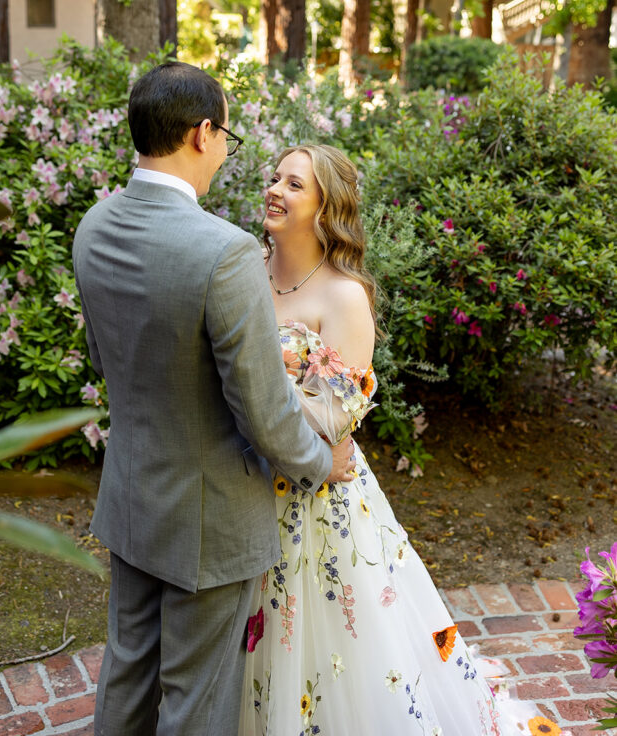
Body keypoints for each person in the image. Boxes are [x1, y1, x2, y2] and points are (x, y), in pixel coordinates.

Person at [239, 143, 561, 736]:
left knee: (337, 639)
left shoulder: (343, 295)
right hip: (245, 488)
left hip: (316, 500)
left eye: (294, 185)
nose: (275, 191)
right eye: (275, 178)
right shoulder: (244, 272)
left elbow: (332, 416)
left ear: (325, 208)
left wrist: (254, 383)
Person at [72, 64, 356, 736]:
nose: (227, 150)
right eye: (225, 132)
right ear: (201, 133)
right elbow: (261, 411)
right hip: (210, 518)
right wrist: (320, 464)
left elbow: (108, 357)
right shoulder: (223, 253)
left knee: (128, 670)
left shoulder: (95, 226)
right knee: (197, 699)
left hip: (131, 495)